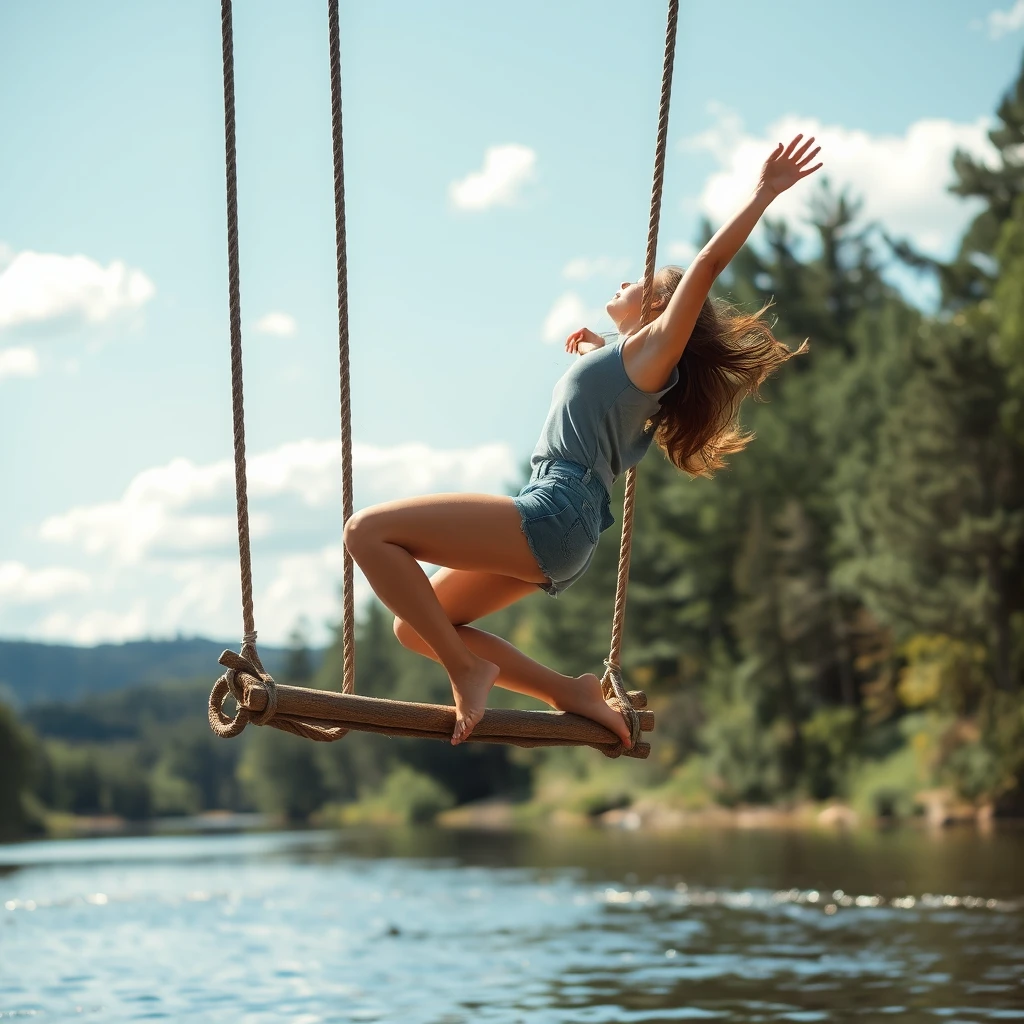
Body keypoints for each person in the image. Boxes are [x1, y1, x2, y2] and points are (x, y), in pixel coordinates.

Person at [343, 134, 823, 747]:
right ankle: (568, 691)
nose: (624, 281)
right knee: (414, 628)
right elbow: (612, 400)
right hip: (565, 523)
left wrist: (763, 192)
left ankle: (467, 669)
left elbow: (703, 270)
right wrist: (600, 349)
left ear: (658, 306)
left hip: (556, 509)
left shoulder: (654, 352)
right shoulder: (632, 365)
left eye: (638, 281)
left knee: (367, 533)